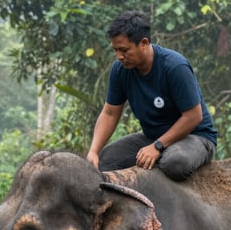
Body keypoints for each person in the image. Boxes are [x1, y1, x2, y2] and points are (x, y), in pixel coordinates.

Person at [86, 10, 216, 181]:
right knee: (103, 162)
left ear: (144, 43)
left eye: (124, 50)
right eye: (115, 50)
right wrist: (93, 151)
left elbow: (193, 116)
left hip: (194, 136)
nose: (119, 56)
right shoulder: (120, 70)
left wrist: (157, 146)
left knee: (174, 163)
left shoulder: (175, 67)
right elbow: (110, 113)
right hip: (152, 136)